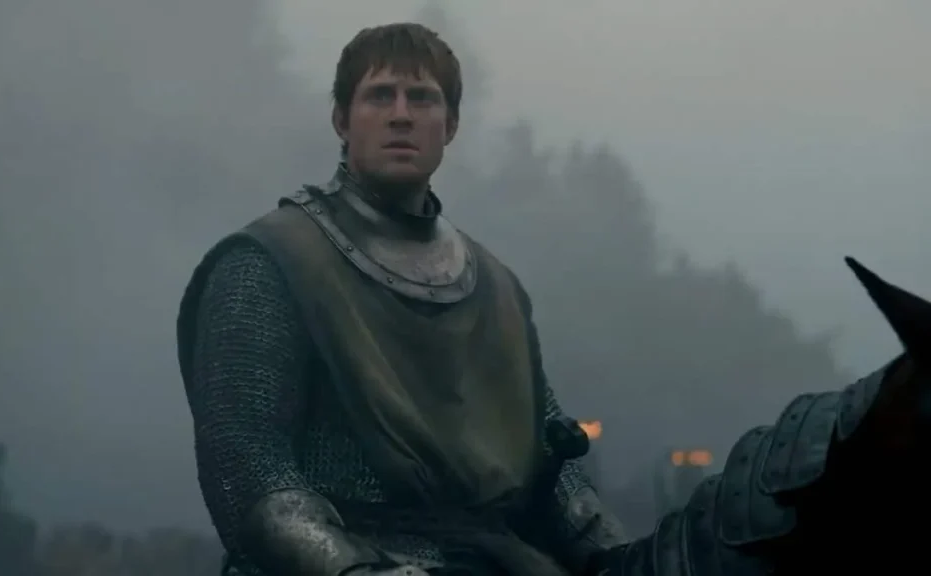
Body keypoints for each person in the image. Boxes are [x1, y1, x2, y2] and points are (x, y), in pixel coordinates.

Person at [177, 23, 929, 576]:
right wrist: (353, 570)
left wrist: (619, 557)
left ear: (450, 126)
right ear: (343, 120)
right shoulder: (270, 263)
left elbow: (549, 467)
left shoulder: (492, 284)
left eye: (422, 97)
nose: (401, 113)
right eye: (380, 96)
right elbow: (253, 468)